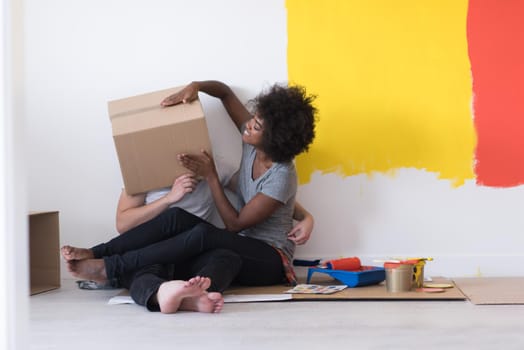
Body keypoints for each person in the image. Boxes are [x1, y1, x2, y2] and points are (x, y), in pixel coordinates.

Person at [62, 80, 317, 312]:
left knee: (205, 236)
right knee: (176, 218)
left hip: (271, 259)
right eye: (254, 118)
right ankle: (97, 252)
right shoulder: (251, 140)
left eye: (257, 125)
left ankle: (111, 268)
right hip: (240, 246)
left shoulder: (282, 175)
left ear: (274, 140)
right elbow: (225, 93)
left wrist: (211, 175)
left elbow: (234, 224)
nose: (249, 124)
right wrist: (196, 86)